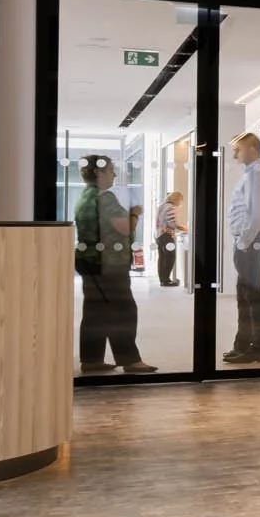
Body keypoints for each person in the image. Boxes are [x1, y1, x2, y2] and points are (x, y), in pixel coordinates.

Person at [73, 155, 155, 374]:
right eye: (111, 170)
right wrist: (135, 214)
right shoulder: (105, 198)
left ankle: (91, 360)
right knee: (123, 310)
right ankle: (130, 360)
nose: (114, 174)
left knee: (95, 312)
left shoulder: (84, 197)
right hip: (108, 263)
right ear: (98, 173)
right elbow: (124, 227)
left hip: (89, 261)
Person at [225, 131, 260, 365]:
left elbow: (256, 215)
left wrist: (244, 242)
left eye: (238, 148)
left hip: (255, 240)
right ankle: (244, 346)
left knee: (253, 297)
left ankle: (257, 348)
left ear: (252, 149)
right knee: (248, 296)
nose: (234, 153)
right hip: (258, 239)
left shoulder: (256, 174)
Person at [155, 191, 186, 287]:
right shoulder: (170, 207)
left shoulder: (161, 206)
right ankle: (167, 280)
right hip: (166, 235)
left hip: (159, 235)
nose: (181, 203)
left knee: (162, 257)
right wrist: (184, 228)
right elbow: (173, 223)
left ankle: (163, 280)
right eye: (181, 200)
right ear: (177, 199)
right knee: (170, 257)